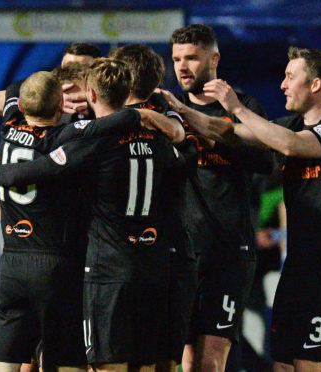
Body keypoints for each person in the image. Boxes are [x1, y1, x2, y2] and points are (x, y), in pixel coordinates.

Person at [0, 58, 194, 372]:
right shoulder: (143, 142)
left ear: (90, 96)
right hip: (141, 263)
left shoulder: (13, 123)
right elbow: (185, 155)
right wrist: (153, 117)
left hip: (34, 265)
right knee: (136, 364)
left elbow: (1, 102)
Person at [169, 46, 321, 372]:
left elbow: (291, 144)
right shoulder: (289, 123)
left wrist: (236, 107)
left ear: (315, 84)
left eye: (290, 77)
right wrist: (181, 112)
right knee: (283, 364)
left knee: (307, 363)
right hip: (297, 265)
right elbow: (228, 133)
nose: (283, 85)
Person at [161, 24, 273, 372]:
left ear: (214, 59)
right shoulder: (167, 109)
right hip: (181, 251)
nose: (182, 66)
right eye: (177, 58)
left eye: (192, 58)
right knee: (185, 358)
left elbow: (265, 161)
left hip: (229, 251)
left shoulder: (243, 106)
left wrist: (219, 132)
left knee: (211, 359)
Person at [0, 71, 88, 372]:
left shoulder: (8, 127)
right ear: (61, 107)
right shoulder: (65, 140)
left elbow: (13, 93)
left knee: (2, 365)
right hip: (56, 265)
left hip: (12, 265)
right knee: (65, 362)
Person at [110, 43, 198, 372]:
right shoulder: (169, 123)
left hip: (112, 258)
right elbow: (187, 157)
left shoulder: (98, 126)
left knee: (111, 359)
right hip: (168, 251)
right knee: (161, 358)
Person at [0, 42, 101, 116]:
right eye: (68, 68)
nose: (74, 73)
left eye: (82, 68)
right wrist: (48, 103)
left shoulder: (106, 93)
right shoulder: (44, 86)